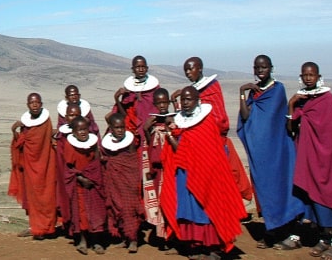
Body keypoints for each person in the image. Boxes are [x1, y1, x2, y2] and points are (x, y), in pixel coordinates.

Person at [160, 86, 247, 259]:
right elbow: (181, 152)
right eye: (183, 99)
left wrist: (171, 137)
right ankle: (196, 245)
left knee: (207, 207)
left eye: (189, 99)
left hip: (206, 175)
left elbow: (204, 152)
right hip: (185, 174)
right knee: (190, 209)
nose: (185, 103)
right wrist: (173, 134)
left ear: (197, 100)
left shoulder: (206, 123)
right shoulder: (180, 122)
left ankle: (214, 247)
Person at [236, 55, 304, 248]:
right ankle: (273, 229)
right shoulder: (254, 93)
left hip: (278, 151)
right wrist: (242, 92)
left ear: (271, 68)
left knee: (282, 188)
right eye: (257, 68)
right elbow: (247, 117)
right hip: (260, 153)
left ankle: (293, 234)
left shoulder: (277, 90)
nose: (260, 71)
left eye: (264, 67)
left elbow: (269, 121)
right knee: (265, 189)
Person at [287, 62, 332, 260]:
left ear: (319, 75)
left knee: (327, 192)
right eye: (305, 75)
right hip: (306, 156)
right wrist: (291, 103)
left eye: (312, 74)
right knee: (309, 194)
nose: (308, 78)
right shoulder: (302, 99)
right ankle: (323, 239)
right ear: (301, 76)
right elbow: (290, 128)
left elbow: (326, 130)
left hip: (324, 156)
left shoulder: (326, 99)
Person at [173, 57, 252, 202]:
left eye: (191, 69)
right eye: (186, 70)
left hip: (214, 139)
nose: (188, 73)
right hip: (198, 142)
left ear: (200, 68)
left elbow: (219, 117)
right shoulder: (191, 92)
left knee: (223, 176)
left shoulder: (212, 88)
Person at [9, 92, 57, 239]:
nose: (35, 105)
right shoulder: (25, 125)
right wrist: (14, 130)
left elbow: (47, 139)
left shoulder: (46, 121)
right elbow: (21, 143)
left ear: (41, 104)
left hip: (46, 163)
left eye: (37, 102)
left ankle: (47, 227)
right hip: (30, 165)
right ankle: (35, 227)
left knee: (48, 195)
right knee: (32, 196)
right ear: (27, 105)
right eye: (32, 102)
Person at [61, 115, 107, 254]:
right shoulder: (70, 146)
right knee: (81, 213)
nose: (82, 132)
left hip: (93, 183)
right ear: (73, 132)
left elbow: (97, 162)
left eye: (85, 129)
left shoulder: (93, 144)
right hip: (79, 185)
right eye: (79, 130)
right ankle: (82, 241)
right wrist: (81, 178)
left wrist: (93, 178)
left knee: (95, 211)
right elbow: (69, 168)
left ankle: (96, 241)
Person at [102, 112, 143, 253]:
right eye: (116, 127)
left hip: (128, 181)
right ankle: (124, 238)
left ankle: (133, 240)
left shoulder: (130, 142)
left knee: (128, 209)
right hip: (114, 181)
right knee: (116, 208)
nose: (120, 130)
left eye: (122, 127)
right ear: (111, 129)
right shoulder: (107, 142)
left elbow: (131, 163)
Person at [141, 88, 175, 242]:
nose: (162, 105)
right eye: (159, 102)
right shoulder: (152, 121)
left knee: (172, 200)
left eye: (164, 102)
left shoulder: (174, 120)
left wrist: (169, 128)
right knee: (161, 200)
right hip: (158, 170)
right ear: (154, 103)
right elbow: (149, 146)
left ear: (168, 102)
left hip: (171, 169)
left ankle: (173, 235)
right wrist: (146, 129)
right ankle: (163, 235)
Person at [108, 55, 160, 143]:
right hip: (133, 130)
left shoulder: (154, 88)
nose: (140, 69)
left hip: (152, 128)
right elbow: (124, 115)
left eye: (143, 67)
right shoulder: (128, 89)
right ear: (132, 69)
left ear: (147, 68)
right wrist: (116, 98)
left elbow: (159, 108)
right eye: (138, 67)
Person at [53, 102, 83, 237]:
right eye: (71, 115)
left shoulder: (86, 133)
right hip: (66, 175)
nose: (74, 117)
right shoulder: (61, 136)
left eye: (77, 115)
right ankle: (72, 230)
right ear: (65, 117)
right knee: (68, 200)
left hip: (83, 175)